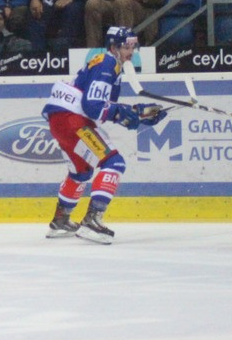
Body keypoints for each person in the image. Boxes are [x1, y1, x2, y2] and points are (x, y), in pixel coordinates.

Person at [41, 26, 167, 244]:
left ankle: (60, 221)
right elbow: (92, 106)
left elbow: (104, 107)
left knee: (80, 170)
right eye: (127, 46)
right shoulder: (108, 64)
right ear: (114, 47)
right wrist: (126, 114)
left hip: (60, 120)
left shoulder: (109, 65)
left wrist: (138, 115)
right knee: (114, 163)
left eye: (133, 46)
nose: (131, 51)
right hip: (74, 121)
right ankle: (92, 220)